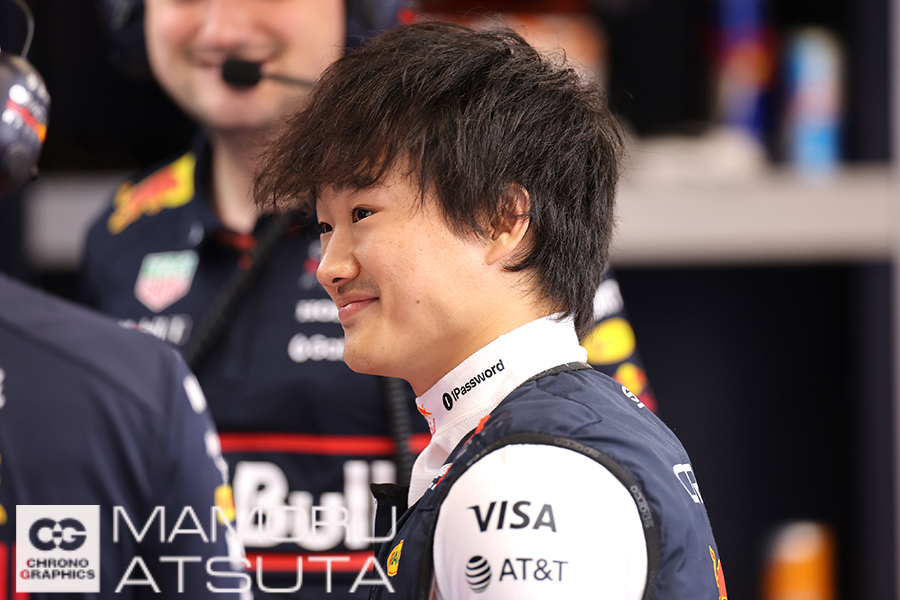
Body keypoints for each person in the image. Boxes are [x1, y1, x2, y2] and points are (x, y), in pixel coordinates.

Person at [79, 1, 655, 597]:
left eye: (363, 214)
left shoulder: (489, 227)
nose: (222, 27)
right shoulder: (121, 230)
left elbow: (601, 473)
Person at [253, 22, 726, 599]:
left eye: (362, 214)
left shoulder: (523, 476)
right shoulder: (567, 428)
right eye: (326, 226)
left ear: (503, 220)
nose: (329, 266)